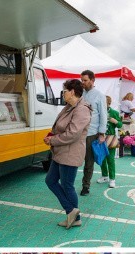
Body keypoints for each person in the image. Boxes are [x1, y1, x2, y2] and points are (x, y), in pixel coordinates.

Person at [44, 79, 91, 229]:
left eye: (64, 91)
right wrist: (51, 136)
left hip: (70, 153)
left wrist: (53, 140)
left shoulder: (81, 109)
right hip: (60, 152)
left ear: (72, 92)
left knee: (67, 185)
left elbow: (72, 134)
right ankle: (72, 212)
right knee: (50, 181)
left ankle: (74, 216)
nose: (63, 94)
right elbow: (61, 127)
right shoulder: (69, 106)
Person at [78, 70, 107, 197]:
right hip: (78, 132)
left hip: (91, 133)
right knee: (74, 158)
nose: (82, 83)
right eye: (81, 80)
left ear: (92, 80)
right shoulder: (80, 93)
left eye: (85, 80)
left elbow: (103, 115)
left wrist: (101, 133)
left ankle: (86, 185)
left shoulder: (100, 95)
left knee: (88, 162)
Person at [100, 95, 122, 188]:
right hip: (100, 137)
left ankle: (112, 179)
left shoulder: (114, 112)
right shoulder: (99, 112)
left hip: (111, 138)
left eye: (104, 102)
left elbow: (120, 125)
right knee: (102, 159)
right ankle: (105, 176)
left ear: (109, 103)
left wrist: (116, 122)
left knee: (110, 159)